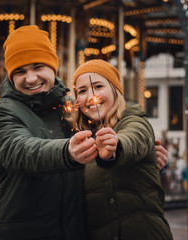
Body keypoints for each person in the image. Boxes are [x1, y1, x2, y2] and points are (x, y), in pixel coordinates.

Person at [0, 25, 168, 240]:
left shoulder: (71, 112)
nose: (31, 78)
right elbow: (21, 150)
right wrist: (68, 152)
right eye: (20, 71)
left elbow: (126, 139)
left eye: (38, 67)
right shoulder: (0, 112)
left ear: (53, 68)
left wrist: (140, 159)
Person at [71, 59, 173, 240]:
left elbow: (134, 138)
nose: (90, 96)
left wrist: (114, 147)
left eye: (98, 86)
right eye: (82, 91)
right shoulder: (81, 139)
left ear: (115, 90)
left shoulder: (134, 120)